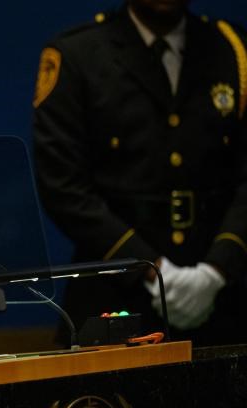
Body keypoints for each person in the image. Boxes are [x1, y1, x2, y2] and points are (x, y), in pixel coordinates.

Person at [33, 0, 247, 346]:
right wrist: (150, 268)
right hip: (113, 297)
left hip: (224, 300)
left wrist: (218, 269)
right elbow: (63, 186)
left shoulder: (234, 51)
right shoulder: (78, 54)